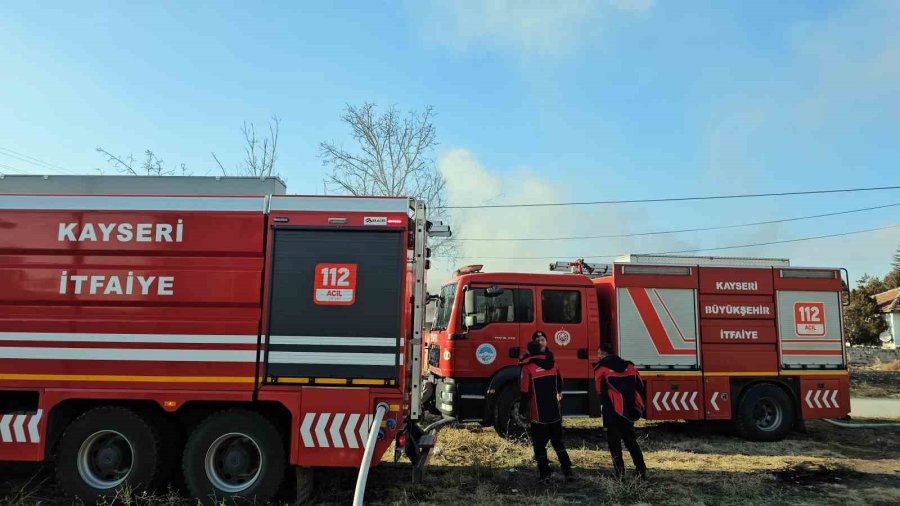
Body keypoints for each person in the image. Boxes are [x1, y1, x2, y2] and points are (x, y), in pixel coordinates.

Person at [519, 340, 574, 482]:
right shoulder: (554, 364)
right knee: (557, 442)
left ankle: (545, 474)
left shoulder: (528, 368)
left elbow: (524, 391)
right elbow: (561, 382)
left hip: (538, 414)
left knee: (539, 444)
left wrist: (522, 409)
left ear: (530, 352)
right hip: (555, 412)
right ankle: (568, 471)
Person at [594, 342, 648, 480]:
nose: (598, 356)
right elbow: (640, 386)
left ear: (603, 354)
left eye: (598, 353)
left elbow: (599, 392)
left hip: (611, 412)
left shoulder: (601, 369)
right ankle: (641, 471)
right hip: (628, 411)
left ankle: (619, 475)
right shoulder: (630, 366)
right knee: (631, 441)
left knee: (614, 444)